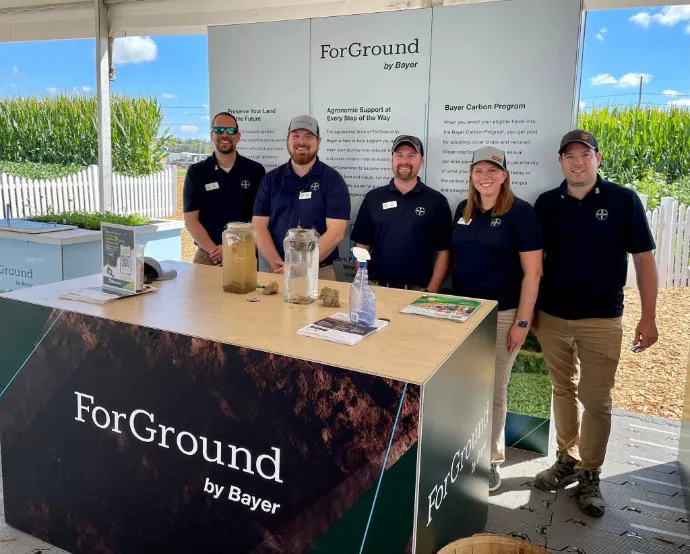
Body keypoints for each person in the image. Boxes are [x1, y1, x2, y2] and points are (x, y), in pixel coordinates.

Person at [532, 129, 658, 517]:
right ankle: (567, 459)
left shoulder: (623, 201)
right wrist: (531, 311)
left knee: (597, 400)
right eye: (569, 156)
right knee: (562, 389)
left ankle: (590, 473)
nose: (577, 162)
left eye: (584, 154)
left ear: (597, 159)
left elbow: (643, 260)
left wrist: (649, 316)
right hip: (552, 317)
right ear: (560, 162)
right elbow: (535, 262)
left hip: (602, 318)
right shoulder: (547, 203)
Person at [451, 146, 543, 492]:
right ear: (471, 176)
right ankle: (460, 451)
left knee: (494, 389)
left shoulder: (521, 214)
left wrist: (521, 322)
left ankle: (490, 460)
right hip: (463, 314)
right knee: (462, 385)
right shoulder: (464, 210)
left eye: (492, 171)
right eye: (478, 171)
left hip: (502, 314)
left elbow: (533, 273)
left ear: (504, 175)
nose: (485, 177)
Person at [252, 115, 350, 280]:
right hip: (277, 270)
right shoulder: (271, 179)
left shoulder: (332, 180)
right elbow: (259, 226)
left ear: (318, 141)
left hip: (319, 272)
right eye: (295, 135)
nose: (301, 142)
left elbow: (336, 232)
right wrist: (280, 266)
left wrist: (302, 266)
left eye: (308, 136)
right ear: (287, 139)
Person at [350, 135, 452, 291]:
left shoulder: (436, 201)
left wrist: (431, 292)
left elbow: (443, 252)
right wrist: (364, 285)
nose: (404, 161)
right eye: (399, 155)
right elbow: (361, 245)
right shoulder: (373, 198)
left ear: (421, 161)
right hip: (377, 289)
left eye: (411, 155)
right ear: (392, 160)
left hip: (418, 293)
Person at [183, 111, 266, 266]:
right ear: (212, 135)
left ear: (238, 136)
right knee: (201, 291)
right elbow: (191, 221)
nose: (225, 135)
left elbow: (259, 219)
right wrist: (215, 250)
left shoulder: (255, 171)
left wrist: (231, 248)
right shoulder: (197, 172)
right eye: (219, 130)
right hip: (208, 254)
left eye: (231, 131)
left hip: (244, 251)